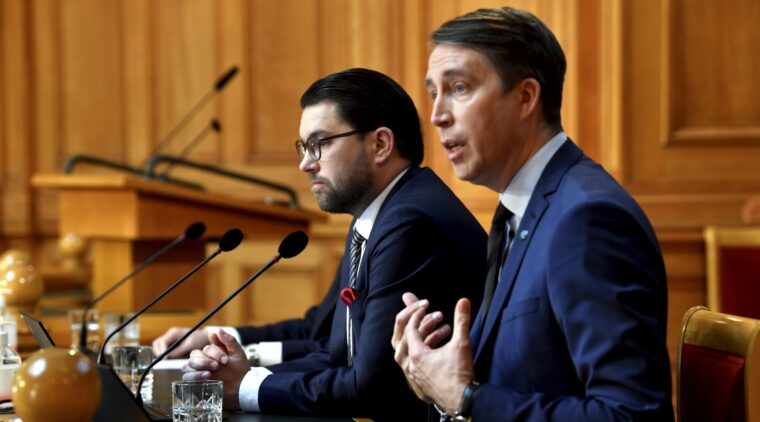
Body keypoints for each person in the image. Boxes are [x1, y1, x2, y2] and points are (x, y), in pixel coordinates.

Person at [392, 7, 674, 421]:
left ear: (525, 97)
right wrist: (435, 381)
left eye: (459, 88)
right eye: (434, 92)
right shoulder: (519, 211)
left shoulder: (587, 220)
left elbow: (631, 415)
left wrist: (466, 400)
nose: (437, 116)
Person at [181, 68, 487, 421]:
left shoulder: (410, 222)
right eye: (303, 146)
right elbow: (337, 351)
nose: (305, 163)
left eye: (320, 144)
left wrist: (245, 386)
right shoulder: (378, 213)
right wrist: (243, 376)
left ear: (380, 145)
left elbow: (370, 387)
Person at [152, 272, 339, 365]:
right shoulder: (352, 238)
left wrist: (252, 355)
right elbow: (313, 327)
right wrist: (209, 336)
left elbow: (345, 351)